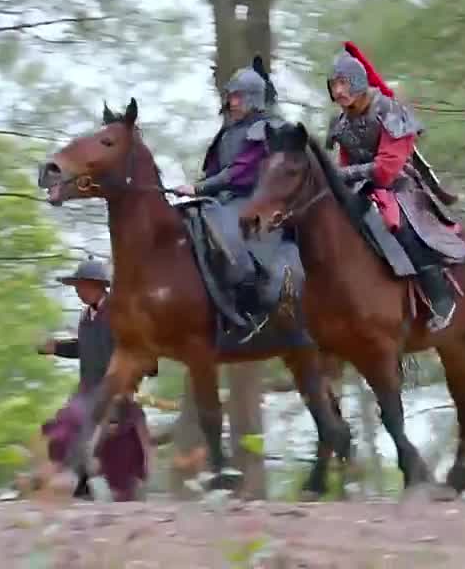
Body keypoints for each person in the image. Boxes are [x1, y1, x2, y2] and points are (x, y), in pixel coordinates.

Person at [323, 41, 465, 331]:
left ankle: (441, 297)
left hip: (398, 185)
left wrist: (342, 174)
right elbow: (345, 163)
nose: (338, 91)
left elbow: (386, 169)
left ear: (358, 81)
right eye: (333, 85)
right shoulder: (340, 122)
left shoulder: (390, 111)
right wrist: (338, 180)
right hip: (361, 187)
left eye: (343, 83)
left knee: (400, 227)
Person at [173, 56, 301, 335]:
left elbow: (240, 172)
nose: (232, 103)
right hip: (223, 200)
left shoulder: (266, 130)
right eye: (230, 97)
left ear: (253, 98)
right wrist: (195, 189)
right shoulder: (228, 132)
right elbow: (215, 171)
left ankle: (247, 294)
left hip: (254, 201)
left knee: (227, 234)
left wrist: (199, 189)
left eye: (238, 97)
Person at [38, 257, 150, 502]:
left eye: (82, 285)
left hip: (115, 389)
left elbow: (136, 351)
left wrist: (127, 387)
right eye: (76, 286)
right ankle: (80, 485)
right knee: (64, 429)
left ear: (98, 286)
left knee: (115, 442)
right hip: (88, 389)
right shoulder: (86, 317)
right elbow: (84, 348)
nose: (78, 291)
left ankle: (113, 490)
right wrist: (56, 348)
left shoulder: (120, 314)